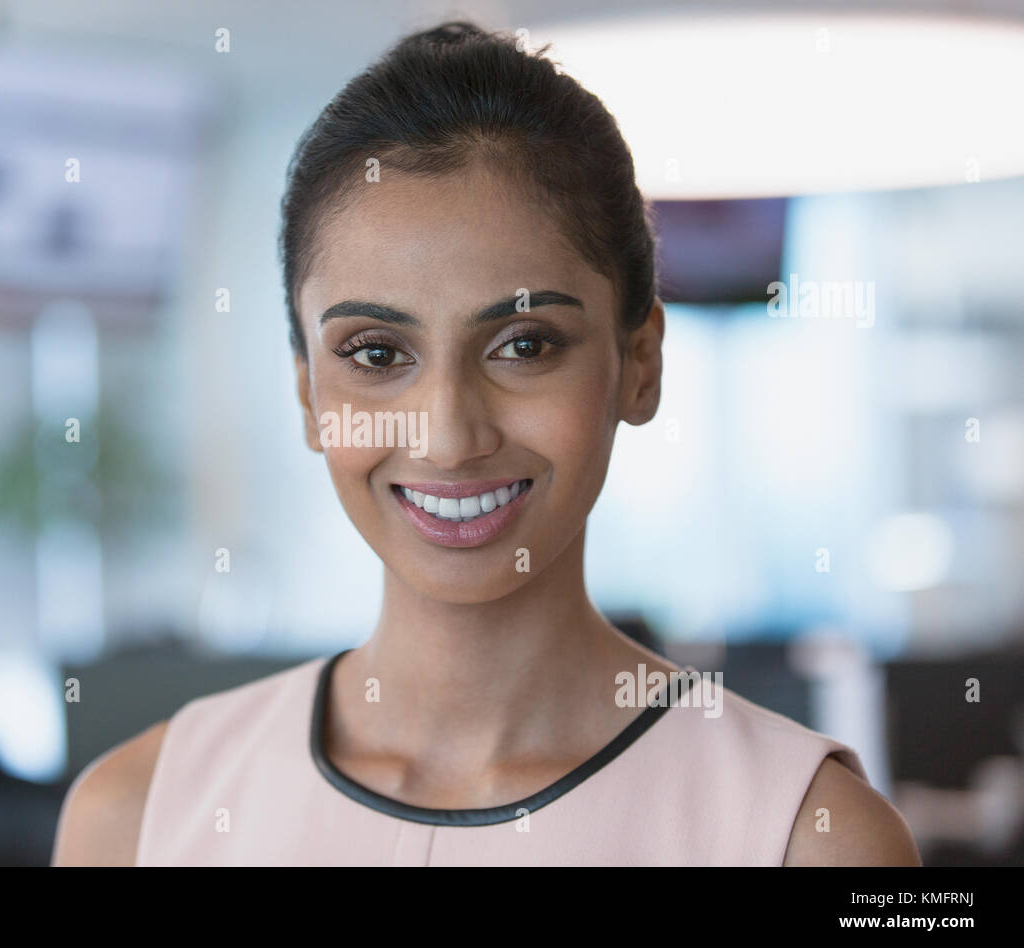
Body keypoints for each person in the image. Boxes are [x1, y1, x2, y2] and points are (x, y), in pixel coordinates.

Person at [53, 20, 920, 866]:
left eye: (525, 345)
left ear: (640, 363)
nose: (448, 436)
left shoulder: (809, 838)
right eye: (377, 354)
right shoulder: (135, 818)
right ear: (309, 395)